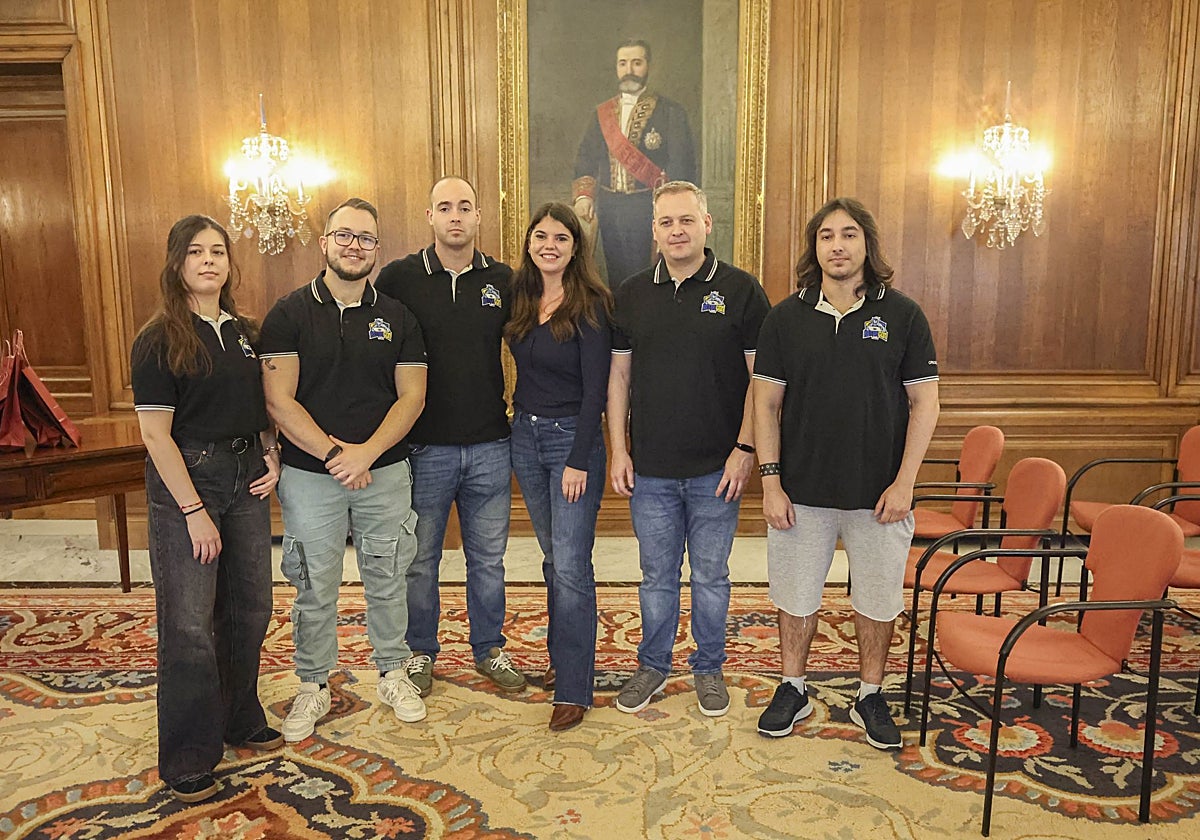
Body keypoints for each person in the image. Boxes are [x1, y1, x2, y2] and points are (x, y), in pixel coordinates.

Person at [752, 197, 940, 750]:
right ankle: (793, 686)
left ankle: (870, 694)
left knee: (878, 599)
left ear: (867, 244)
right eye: (826, 236)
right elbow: (764, 405)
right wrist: (770, 480)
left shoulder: (903, 315)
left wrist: (905, 481)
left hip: (880, 494)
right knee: (795, 594)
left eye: (849, 234)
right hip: (800, 492)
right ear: (815, 247)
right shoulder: (785, 317)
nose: (837, 245)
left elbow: (925, 405)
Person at [259, 198, 429, 742]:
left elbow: (412, 398)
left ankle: (393, 672)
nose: (355, 246)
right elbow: (279, 401)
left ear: (378, 249)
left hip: (384, 471)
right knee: (314, 583)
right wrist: (337, 456)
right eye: (345, 235)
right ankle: (313, 684)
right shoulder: (289, 313)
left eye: (367, 238)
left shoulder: (398, 316)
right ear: (325, 242)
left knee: (388, 575)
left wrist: (367, 454)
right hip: (312, 476)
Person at [131, 214, 282, 803]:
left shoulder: (243, 330)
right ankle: (190, 753)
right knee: (190, 623)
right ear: (177, 263)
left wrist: (269, 452)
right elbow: (155, 436)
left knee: (250, 606)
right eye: (196, 252)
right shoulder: (160, 338)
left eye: (218, 251)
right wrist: (192, 509)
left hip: (246, 476)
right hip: (187, 481)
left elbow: (258, 404)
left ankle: (239, 716)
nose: (209, 261)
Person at [607, 180, 770, 718]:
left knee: (711, 577)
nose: (676, 231)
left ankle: (709, 668)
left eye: (686, 220)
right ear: (653, 231)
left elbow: (760, 382)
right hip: (650, 470)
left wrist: (745, 448)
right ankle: (653, 665)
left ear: (706, 224)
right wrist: (618, 450)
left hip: (715, 469)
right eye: (666, 223)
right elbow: (619, 378)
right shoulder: (630, 293)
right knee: (655, 577)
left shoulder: (743, 291)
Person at [375, 177, 526, 696]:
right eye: (445, 207)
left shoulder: (504, 279)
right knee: (421, 560)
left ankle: (489, 649)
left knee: (489, 559)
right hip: (425, 447)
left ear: (479, 216)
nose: (455, 216)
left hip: (491, 442)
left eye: (465, 207)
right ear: (430, 216)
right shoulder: (399, 278)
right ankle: (421, 652)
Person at [506, 203, 613, 732]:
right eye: (541, 236)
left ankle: (575, 687)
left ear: (576, 247)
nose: (549, 245)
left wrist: (578, 460)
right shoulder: (521, 296)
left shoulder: (591, 304)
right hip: (523, 437)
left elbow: (597, 390)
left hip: (573, 441)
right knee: (553, 559)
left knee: (571, 565)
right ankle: (561, 660)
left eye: (561, 238)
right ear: (529, 243)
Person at [573, 38, 697, 287]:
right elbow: (586, 157)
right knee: (616, 275)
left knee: (648, 275)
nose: (629, 69)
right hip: (610, 207)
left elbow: (683, 166)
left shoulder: (670, 112)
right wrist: (584, 196)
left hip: (648, 207)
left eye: (636, 62)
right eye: (623, 63)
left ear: (648, 66)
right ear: (617, 68)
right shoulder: (602, 113)